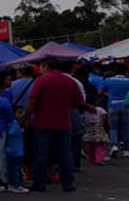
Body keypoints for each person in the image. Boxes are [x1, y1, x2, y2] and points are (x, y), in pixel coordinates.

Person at [24, 58, 85, 192]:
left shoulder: (41, 80)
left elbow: (32, 101)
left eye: (40, 67)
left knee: (41, 154)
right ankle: (67, 183)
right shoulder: (70, 81)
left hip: (42, 123)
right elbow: (78, 102)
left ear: (46, 66)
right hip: (64, 122)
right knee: (65, 154)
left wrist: (27, 118)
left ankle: (40, 183)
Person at [82, 92, 110, 166]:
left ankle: (92, 158)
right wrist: (107, 124)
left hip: (89, 128)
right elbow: (104, 118)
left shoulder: (85, 110)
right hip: (98, 128)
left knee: (90, 145)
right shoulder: (100, 109)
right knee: (99, 145)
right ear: (95, 101)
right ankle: (99, 159)